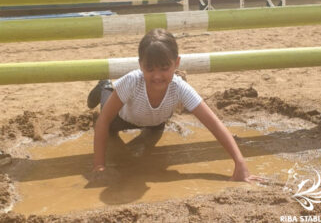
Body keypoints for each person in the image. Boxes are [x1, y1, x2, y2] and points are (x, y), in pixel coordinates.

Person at [87, 28, 262, 183]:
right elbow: (103, 121)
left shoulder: (179, 88)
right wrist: (99, 166)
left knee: (138, 156)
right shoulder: (132, 80)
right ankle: (104, 85)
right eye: (150, 69)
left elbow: (214, 124)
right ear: (140, 65)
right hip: (119, 118)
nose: (157, 76)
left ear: (176, 64)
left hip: (154, 124)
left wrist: (240, 163)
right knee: (109, 119)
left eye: (164, 68)